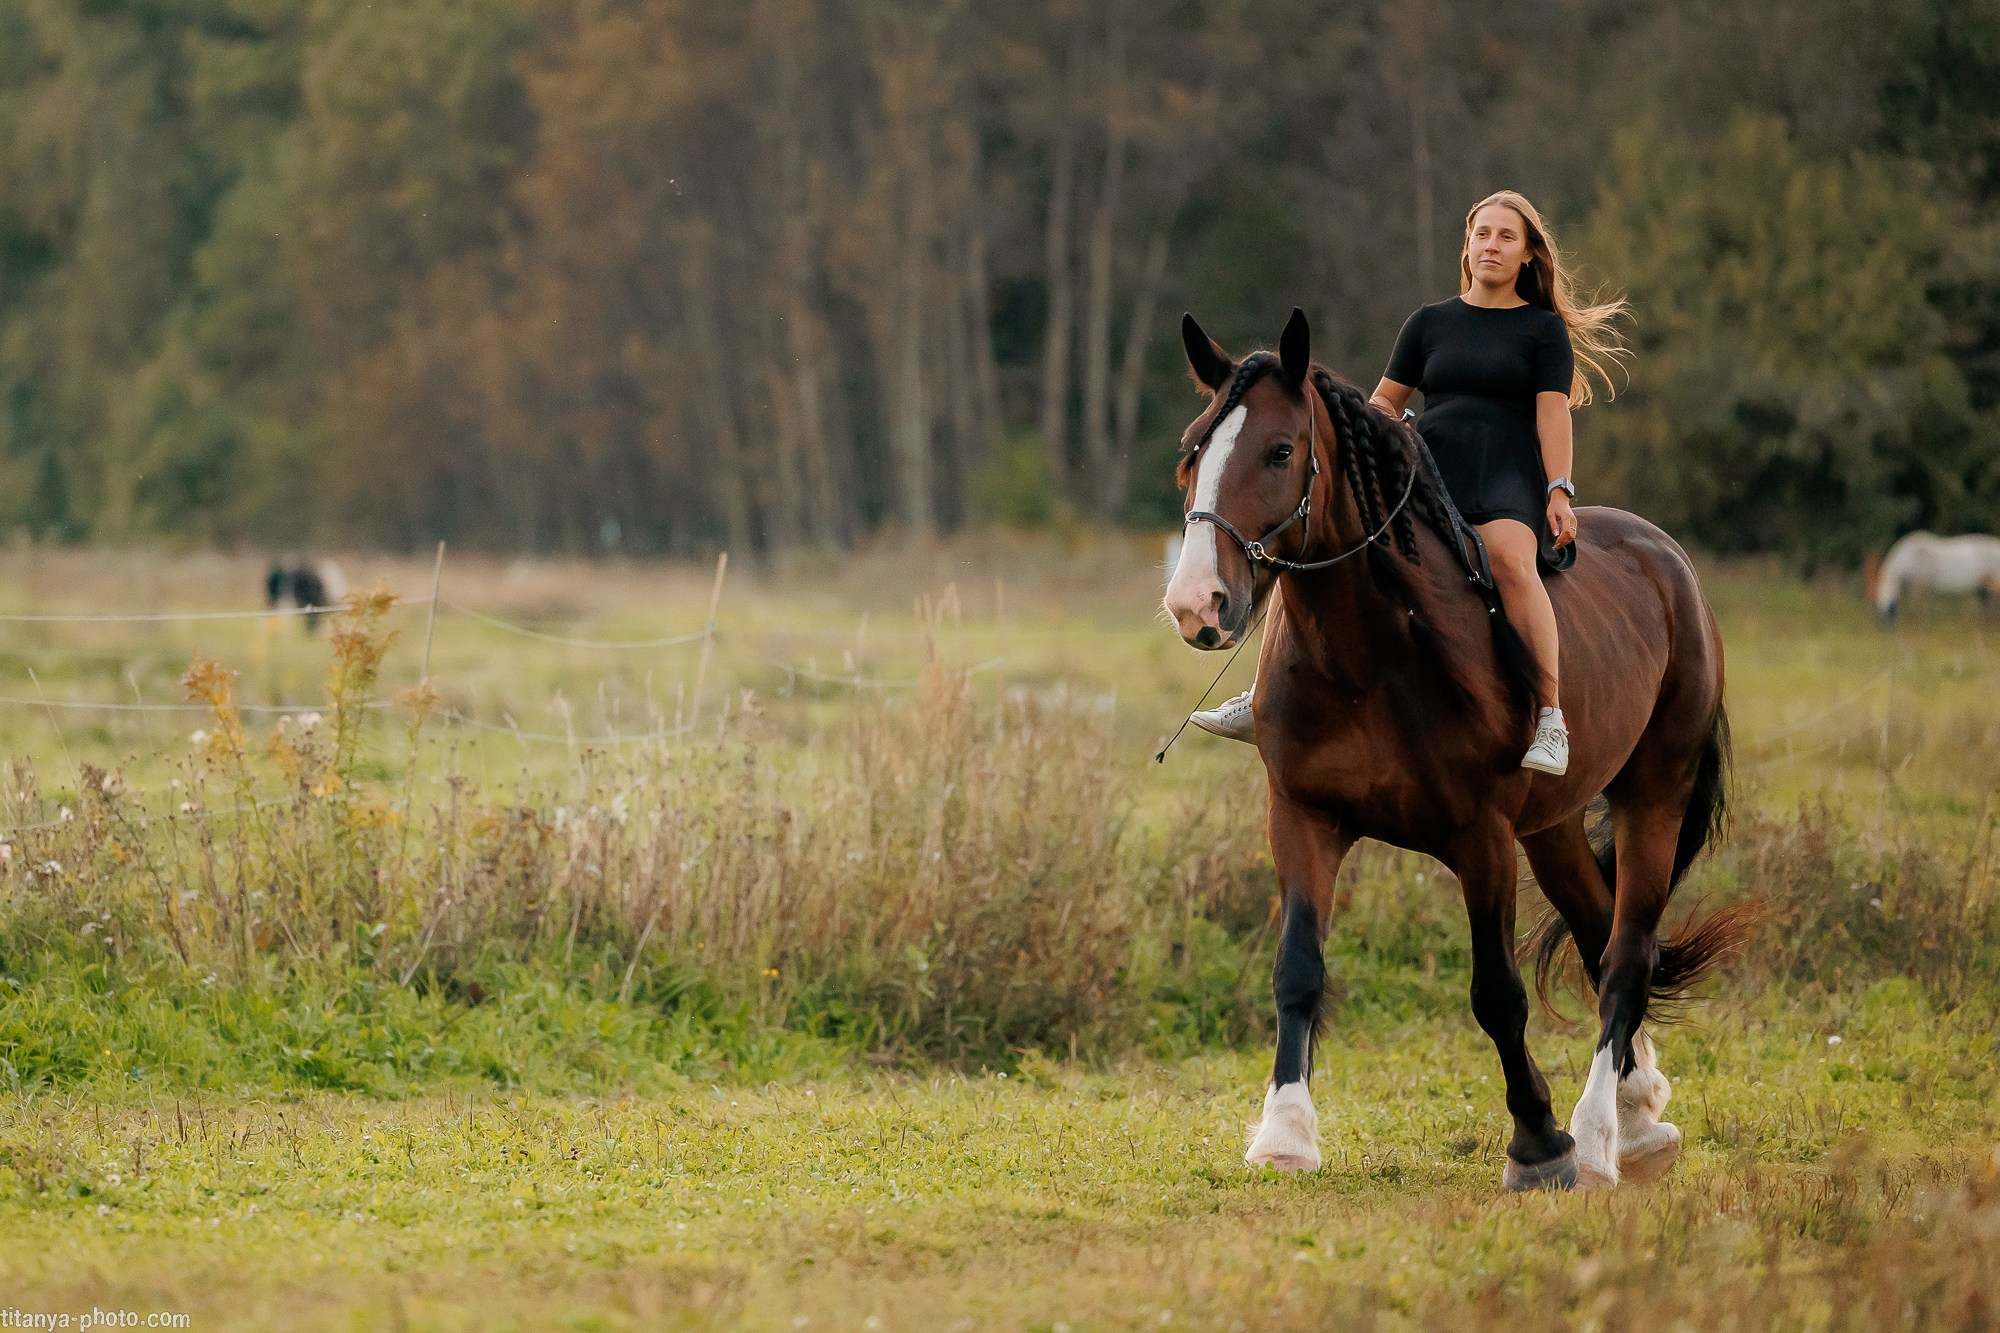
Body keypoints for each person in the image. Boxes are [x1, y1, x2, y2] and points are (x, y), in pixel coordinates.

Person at [1190, 189, 1628, 776]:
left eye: (1506, 237)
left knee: (1511, 561)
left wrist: (1558, 488)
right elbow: (1383, 404)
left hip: (1505, 471)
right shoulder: (1429, 322)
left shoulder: (1543, 331)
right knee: (1328, 547)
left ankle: (1551, 718)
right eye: (1482, 234)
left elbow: (1552, 413)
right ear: (1467, 246)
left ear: (1528, 255)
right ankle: (1266, 691)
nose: (1490, 246)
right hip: (1425, 466)